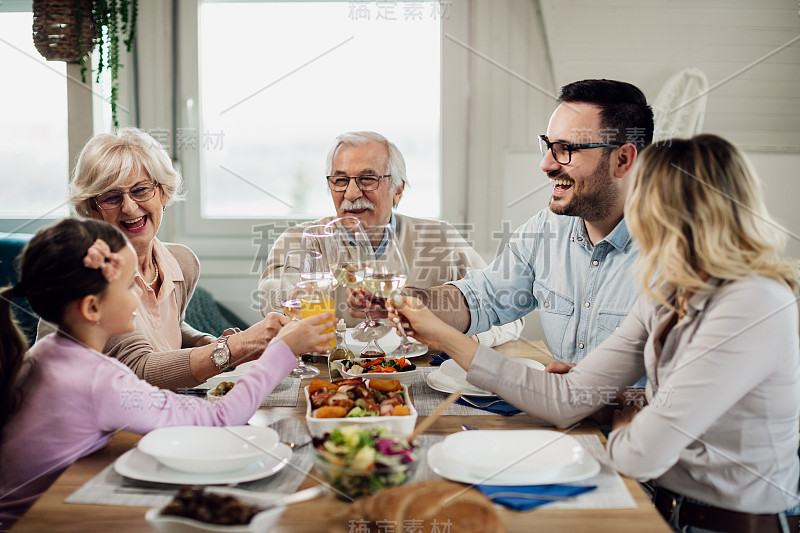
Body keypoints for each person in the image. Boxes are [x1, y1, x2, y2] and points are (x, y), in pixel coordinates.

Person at [389, 134, 800, 532]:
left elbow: (638, 455)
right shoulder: (669, 290)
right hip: (661, 506)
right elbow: (566, 398)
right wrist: (441, 337)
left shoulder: (752, 304)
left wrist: (623, 413)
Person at [0, 218, 333, 528]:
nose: (140, 293)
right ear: (91, 307)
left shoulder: (44, 353)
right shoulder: (97, 383)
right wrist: (284, 349)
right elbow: (220, 418)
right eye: (130, 286)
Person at [353, 80, 653, 365]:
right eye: (548, 146)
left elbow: (688, 393)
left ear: (623, 160)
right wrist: (406, 300)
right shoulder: (546, 230)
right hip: (565, 413)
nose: (546, 164)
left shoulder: (678, 254)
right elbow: (479, 299)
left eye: (566, 150)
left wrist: (608, 396)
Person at [39, 128, 290, 390]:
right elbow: (139, 369)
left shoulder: (181, 262)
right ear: (93, 208)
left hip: (142, 411)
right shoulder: (92, 274)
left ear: (164, 193)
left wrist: (206, 343)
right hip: (77, 421)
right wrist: (234, 348)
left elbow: (167, 329)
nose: (129, 207)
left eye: (141, 190)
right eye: (112, 197)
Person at [258, 131, 522, 346]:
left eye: (367, 179)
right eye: (340, 180)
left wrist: (449, 336)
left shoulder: (441, 240)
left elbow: (508, 315)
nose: (351, 193)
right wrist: (291, 298)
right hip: (330, 384)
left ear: (398, 190)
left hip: (422, 381)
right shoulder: (301, 240)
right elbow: (275, 296)